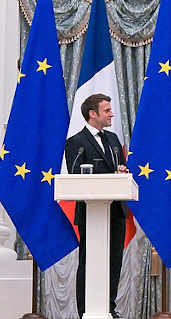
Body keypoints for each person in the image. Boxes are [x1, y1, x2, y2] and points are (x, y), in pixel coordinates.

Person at [64, 93, 129, 318]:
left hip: (116, 211)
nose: (112, 114)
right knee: (88, 262)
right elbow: (76, 176)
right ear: (93, 114)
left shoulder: (112, 140)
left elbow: (118, 168)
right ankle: (86, 311)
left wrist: (121, 172)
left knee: (114, 263)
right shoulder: (76, 142)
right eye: (107, 111)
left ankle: (109, 309)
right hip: (92, 212)